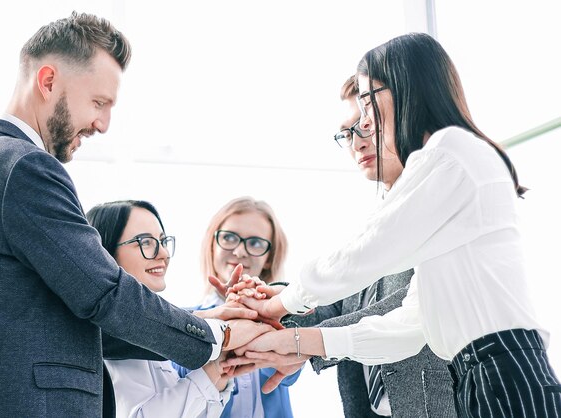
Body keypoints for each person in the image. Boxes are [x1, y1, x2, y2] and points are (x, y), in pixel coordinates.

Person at [0, 12, 267, 417]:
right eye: (98, 102)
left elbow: (76, 327)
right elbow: (106, 294)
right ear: (48, 81)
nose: (103, 124)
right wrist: (221, 333)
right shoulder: (24, 168)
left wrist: (209, 320)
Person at [231, 33, 561, 417]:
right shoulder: (444, 181)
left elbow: (366, 252)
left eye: (368, 99)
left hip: (503, 373)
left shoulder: (450, 152)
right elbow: (408, 326)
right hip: (485, 377)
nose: (365, 120)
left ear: (404, 87)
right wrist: (299, 341)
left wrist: (279, 304)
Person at [87, 200, 243, 417]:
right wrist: (209, 375)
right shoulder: (107, 337)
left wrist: (217, 375)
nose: (163, 254)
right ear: (105, 251)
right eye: (145, 242)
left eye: (162, 241)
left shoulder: (160, 332)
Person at [178, 197, 301, 418]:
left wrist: (263, 314)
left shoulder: (284, 318)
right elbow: (181, 380)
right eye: (229, 238)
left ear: (269, 258)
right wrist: (225, 319)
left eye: (255, 243)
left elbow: (289, 374)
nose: (239, 251)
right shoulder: (186, 319)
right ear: (212, 244)